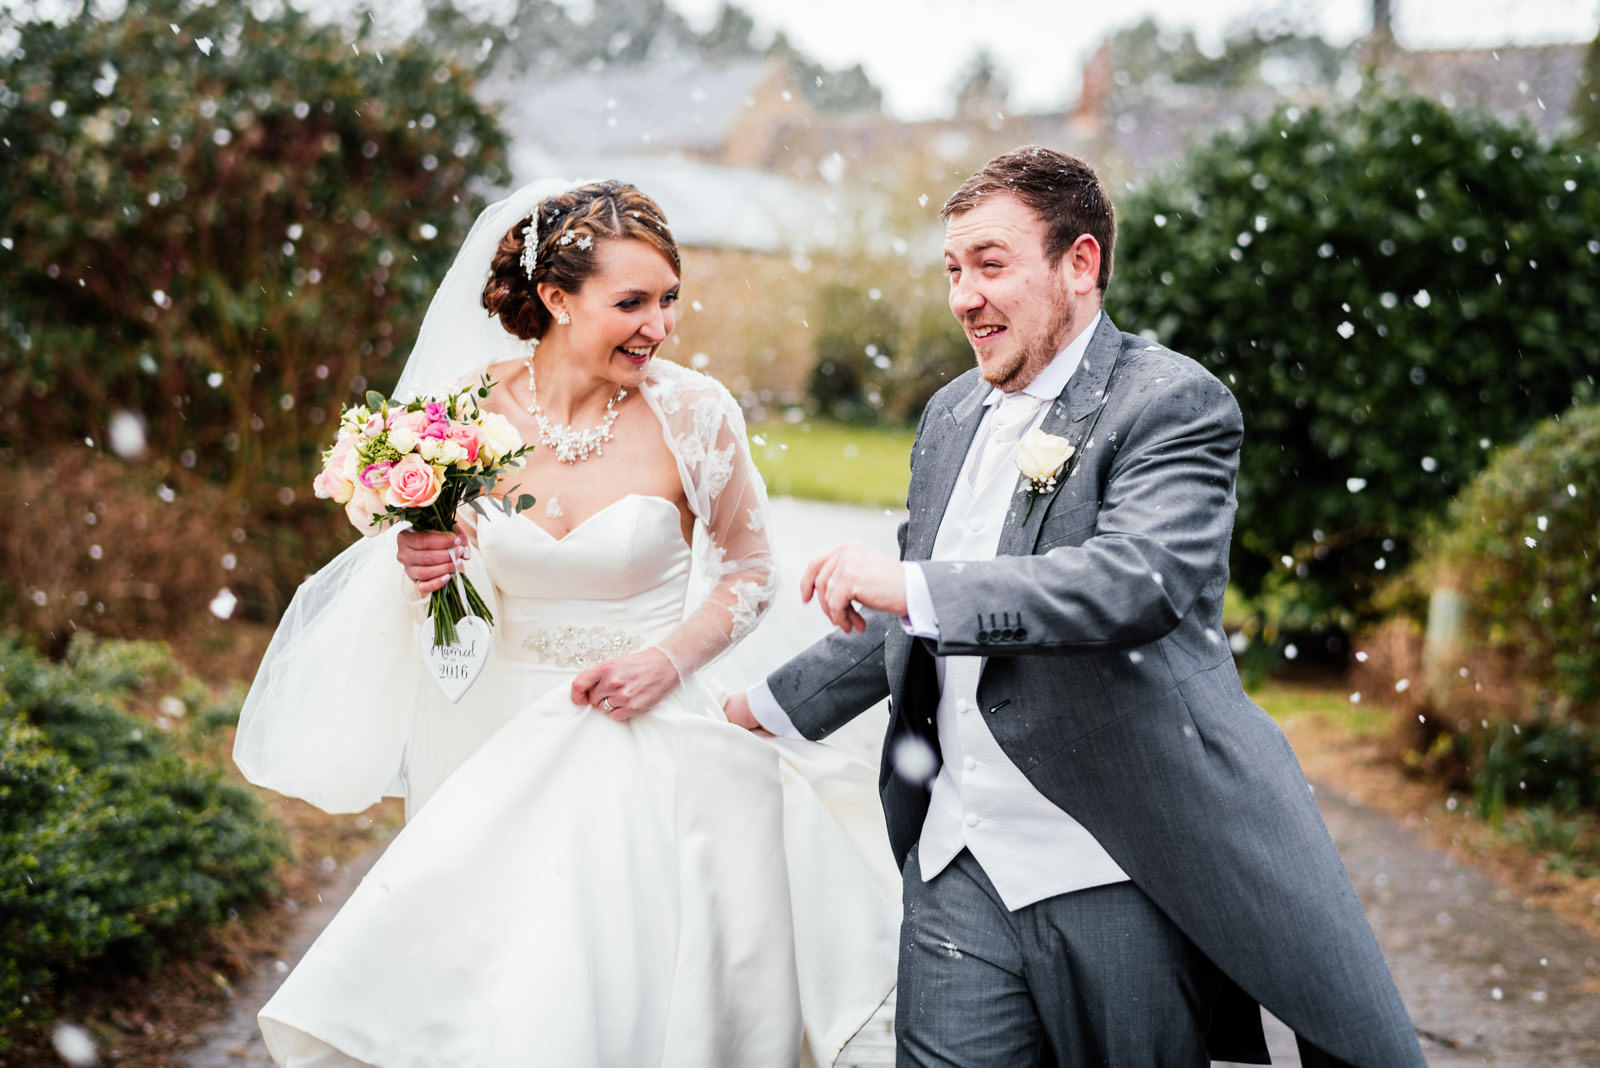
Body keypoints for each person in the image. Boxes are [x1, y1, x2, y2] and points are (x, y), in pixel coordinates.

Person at [725, 146, 1427, 1067]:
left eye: (990, 263)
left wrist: (914, 584)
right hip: (953, 865)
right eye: (951, 270)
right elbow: (918, 620)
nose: (963, 297)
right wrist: (759, 712)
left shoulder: (1171, 401)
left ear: (1081, 264)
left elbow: (1134, 582)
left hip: (1116, 852)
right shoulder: (947, 418)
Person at [233, 178, 898, 1067]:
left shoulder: (696, 415)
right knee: (495, 992)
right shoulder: (460, 415)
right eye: (630, 303)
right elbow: (436, 574)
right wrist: (421, 564)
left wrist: (664, 662)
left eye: (668, 301)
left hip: (645, 736)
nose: (657, 326)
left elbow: (750, 571)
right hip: (488, 731)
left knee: (617, 984)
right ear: (554, 297)